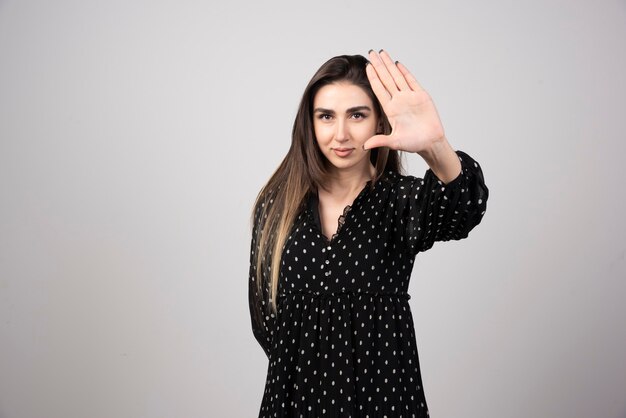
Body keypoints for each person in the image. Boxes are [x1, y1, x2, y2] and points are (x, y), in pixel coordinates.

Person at [248, 49, 488, 417]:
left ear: (379, 121)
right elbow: (266, 320)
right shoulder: (277, 205)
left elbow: (464, 209)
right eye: (326, 116)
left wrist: (435, 146)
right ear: (309, 124)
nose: (340, 133)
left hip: (382, 398)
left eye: (357, 115)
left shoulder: (401, 201)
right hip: (294, 400)